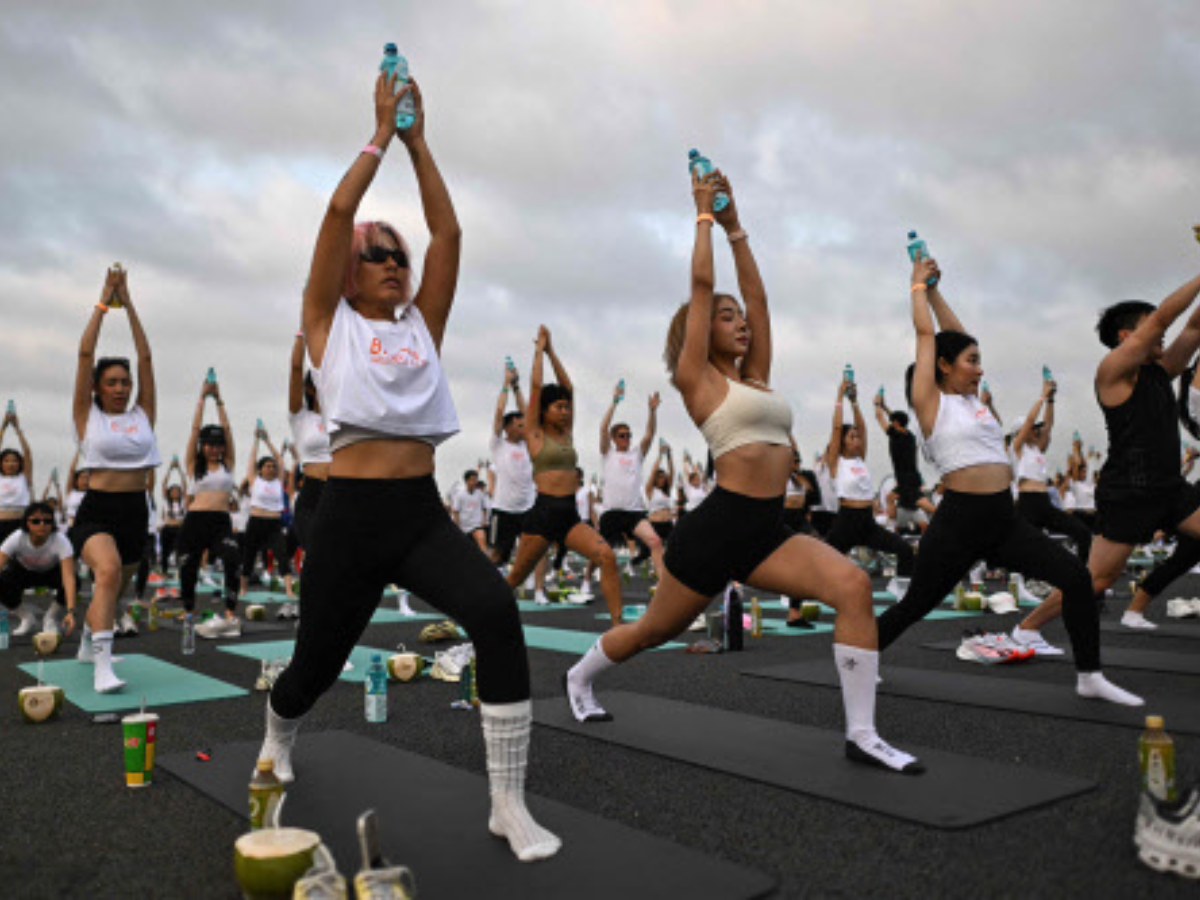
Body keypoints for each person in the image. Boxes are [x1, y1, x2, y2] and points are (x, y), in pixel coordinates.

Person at [257, 70, 558, 863]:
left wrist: (422, 140)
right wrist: (381, 132)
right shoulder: (329, 325)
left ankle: (505, 802)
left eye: (398, 256)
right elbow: (337, 214)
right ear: (350, 272)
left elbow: (449, 237)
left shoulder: (422, 324)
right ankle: (279, 729)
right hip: (349, 516)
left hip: (419, 513)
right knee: (314, 667)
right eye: (378, 256)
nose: (394, 263)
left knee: (496, 614)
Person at [566, 167, 921, 773]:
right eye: (726, 318)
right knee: (653, 631)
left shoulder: (755, 375)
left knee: (854, 588)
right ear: (701, 332)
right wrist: (703, 217)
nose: (741, 321)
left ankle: (862, 735)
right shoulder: (696, 380)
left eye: (738, 318)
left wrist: (737, 228)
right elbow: (702, 288)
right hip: (715, 529)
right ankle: (579, 679)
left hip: (766, 529)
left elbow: (758, 299)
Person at [874, 253, 1140, 706]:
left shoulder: (975, 400)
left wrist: (938, 289)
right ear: (943, 366)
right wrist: (917, 286)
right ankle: (861, 656)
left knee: (1076, 578)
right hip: (958, 521)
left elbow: (953, 336)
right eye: (971, 361)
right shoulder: (930, 405)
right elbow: (928, 336)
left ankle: (1090, 676)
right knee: (916, 604)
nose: (979, 368)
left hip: (1003, 518)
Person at [1015, 273, 1200, 647]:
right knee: (1096, 580)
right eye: (1150, 329)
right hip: (1129, 492)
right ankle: (1027, 628)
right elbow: (1164, 317)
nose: (1162, 336)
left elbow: (1194, 327)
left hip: (1170, 489)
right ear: (1126, 337)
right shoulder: (1112, 372)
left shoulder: (1160, 371)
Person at [70, 266, 162, 693]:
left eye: (125, 382)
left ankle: (90, 641)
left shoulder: (143, 415)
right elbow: (85, 354)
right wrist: (105, 302)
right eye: (112, 382)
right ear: (97, 388)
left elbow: (145, 358)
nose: (122, 388)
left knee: (115, 588)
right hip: (97, 510)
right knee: (105, 572)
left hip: (134, 512)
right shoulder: (86, 418)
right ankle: (102, 669)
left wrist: (132, 303)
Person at [505, 326, 622, 619]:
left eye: (567, 407)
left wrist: (552, 351)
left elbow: (568, 386)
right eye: (558, 407)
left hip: (569, 515)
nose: (565, 411)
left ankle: (619, 627)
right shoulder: (534, 434)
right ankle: (479, 620)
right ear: (544, 411)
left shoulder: (566, 433)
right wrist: (538, 353)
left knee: (606, 556)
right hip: (543, 513)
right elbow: (535, 388)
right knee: (513, 581)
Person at [823, 377, 916, 598]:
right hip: (846, 521)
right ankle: (795, 603)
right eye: (851, 436)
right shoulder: (837, 462)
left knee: (904, 550)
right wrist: (839, 397)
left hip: (867, 522)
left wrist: (854, 402)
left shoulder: (860, 459)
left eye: (857, 437)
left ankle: (900, 588)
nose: (856, 439)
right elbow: (837, 427)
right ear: (843, 441)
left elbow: (863, 428)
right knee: (821, 563)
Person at [177, 378, 242, 630]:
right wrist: (203, 399)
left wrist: (220, 399)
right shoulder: (195, 466)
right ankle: (188, 609)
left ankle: (229, 611)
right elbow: (194, 430)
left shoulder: (228, 464)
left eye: (218, 445)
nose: (215, 449)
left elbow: (229, 429)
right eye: (210, 445)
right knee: (188, 567)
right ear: (202, 446)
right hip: (195, 521)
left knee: (233, 559)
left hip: (220, 522)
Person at [1011, 378, 1093, 563]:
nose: (1037, 431)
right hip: (1027, 504)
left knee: (1083, 533)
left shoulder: (1037, 449)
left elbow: (1048, 426)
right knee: (1029, 550)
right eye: (1033, 429)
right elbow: (1031, 420)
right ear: (1021, 432)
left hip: (1044, 502)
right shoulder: (1017, 448)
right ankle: (1023, 582)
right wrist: (1042, 395)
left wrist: (1051, 400)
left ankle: (1081, 574)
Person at [598, 388, 666, 579]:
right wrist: (614, 402)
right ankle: (587, 579)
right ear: (614, 439)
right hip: (611, 512)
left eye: (628, 435)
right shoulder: (608, 453)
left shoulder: (636, 454)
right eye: (622, 435)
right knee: (599, 554)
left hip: (633, 512)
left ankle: (663, 588)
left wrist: (652, 411)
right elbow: (603, 428)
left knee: (655, 541)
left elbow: (650, 433)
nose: (626, 438)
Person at [234, 426, 296, 609]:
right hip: (256, 522)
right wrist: (256, 440)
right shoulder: (255, 481)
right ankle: (243, 589)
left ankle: (289, 590)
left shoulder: (278, 482)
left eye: (273, 466)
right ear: (260, 470)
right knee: (249, 557)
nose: (271, 468)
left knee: (282, 556)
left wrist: (268, 440)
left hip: (273, 524)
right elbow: (252, 460)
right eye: (267, 466)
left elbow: (280, 459)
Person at [0, 502, 79, 637]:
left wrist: (70, 612)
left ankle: (50, 617)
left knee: (75, 581)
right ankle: (26, 617)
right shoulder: (16, 538)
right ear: (27, 523)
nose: (42, 525)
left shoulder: (61, 540)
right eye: (36, 521)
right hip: (23, 572)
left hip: (51, 572)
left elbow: (68, 577)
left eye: (47, 521)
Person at [288, 332, 332, 555]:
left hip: (341, 491)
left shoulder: (342, 417)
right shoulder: (301, 417)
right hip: (312, 494)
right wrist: (304, 332)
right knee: (317, 555)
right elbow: (296, 368)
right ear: (310, 389)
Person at [0, 410, 34, 546]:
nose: (11, 464)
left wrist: (18, 429)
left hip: (19, 522)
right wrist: (3, 427)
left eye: (14, 461)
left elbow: (27, 453)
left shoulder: (23, 478)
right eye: (6, 460)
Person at [452, 469, 492, 555]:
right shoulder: (460, 494)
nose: (475, 482)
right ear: (467, 481)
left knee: (481, 540)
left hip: (476, 524)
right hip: (464, 526)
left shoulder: (480, 494)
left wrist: (484, 520)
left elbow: (484, 508)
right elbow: (455, 510)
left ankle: (484, 563)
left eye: (476, 479)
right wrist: (457, 523)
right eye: (472, 479)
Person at [645, 443, 676, 547]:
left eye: (664, 477)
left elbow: (672, 472)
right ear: (655, 479)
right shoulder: (650, 490)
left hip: (668, 524)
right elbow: (653, 471)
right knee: (655, 550)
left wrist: (669, 456)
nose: (662, 479)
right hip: (655, 524)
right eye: (660, 477)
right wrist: (660, 455)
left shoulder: (666, 491)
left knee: (673, 548)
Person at [160, 459, 187, 574]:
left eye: (177, 491)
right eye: (173, 491)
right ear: (169, 493)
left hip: (179, 529)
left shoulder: (183, 502)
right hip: (167, 529)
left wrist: (180, 469)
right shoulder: (167, 501)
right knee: (165, 552)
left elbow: (185, 484)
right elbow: (164, 484)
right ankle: (164, 571)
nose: (175, 493)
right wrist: (170, 469)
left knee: (179, 551)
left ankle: (180, 572)